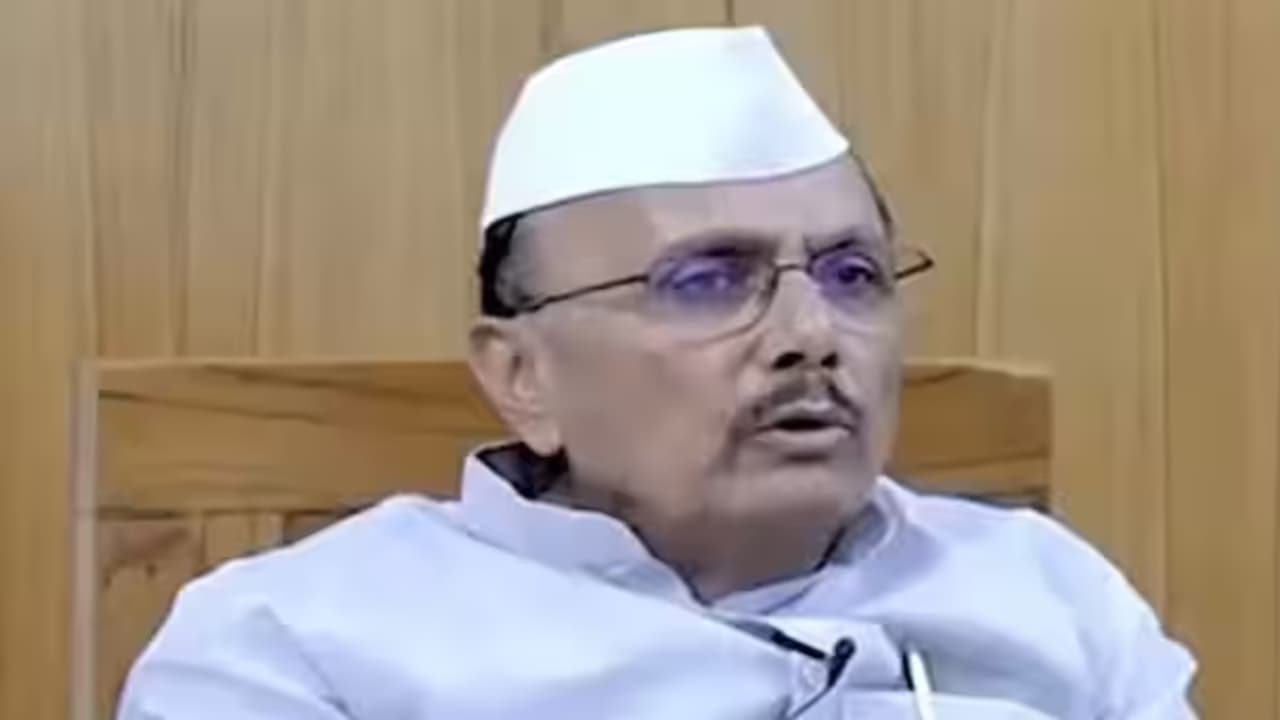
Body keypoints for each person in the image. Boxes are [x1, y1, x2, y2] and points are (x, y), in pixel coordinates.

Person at [118, 26, 1195, 719]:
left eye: (852, 273)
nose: (810, 332)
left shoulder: (1053, 598)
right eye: (707, 281)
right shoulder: (292, 651)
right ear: (522, 374)